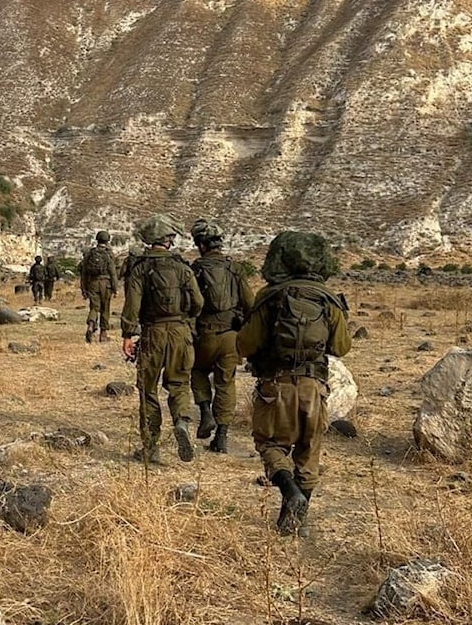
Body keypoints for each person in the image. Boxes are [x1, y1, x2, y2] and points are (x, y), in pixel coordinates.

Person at [236, 231, 351, 536]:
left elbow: (246, 345)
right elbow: (341, 347)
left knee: (270, 444)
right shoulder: (329, 299)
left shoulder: (270, 296)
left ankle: (289, 490)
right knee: (308, 452)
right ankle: (294, 521)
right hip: (314, 387)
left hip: (276, 385)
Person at [121, 214, 203, 464]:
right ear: (168, 240)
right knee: (179, 384)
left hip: (152, 333)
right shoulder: (183, 268)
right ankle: (181, 421)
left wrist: (127, 334)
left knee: (147, 390)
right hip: (180, 333)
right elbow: (198, 302)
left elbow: (132, 306)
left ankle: (150, 447)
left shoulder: (140, 269)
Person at [189, 220, 254, 453]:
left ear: (202, 245)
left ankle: (205, 412)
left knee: (197, 372)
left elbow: (190, 305)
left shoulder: (195, 269)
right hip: (230, 337)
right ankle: (222, 437)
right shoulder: (234, 268)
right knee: (226, 383)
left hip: (204, 336)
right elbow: (250, 304)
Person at [80, 230, 119, 343]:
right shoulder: (109, 254)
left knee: (94, 308)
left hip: (93, 283)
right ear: (107, 240)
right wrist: (115, 288)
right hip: (106, 284)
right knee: (105, 309)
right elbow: (113, 273)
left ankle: (91, 326)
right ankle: (103, 334)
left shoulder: (90, 254)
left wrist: (84, 288)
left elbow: (84, 273)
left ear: (97, 239)